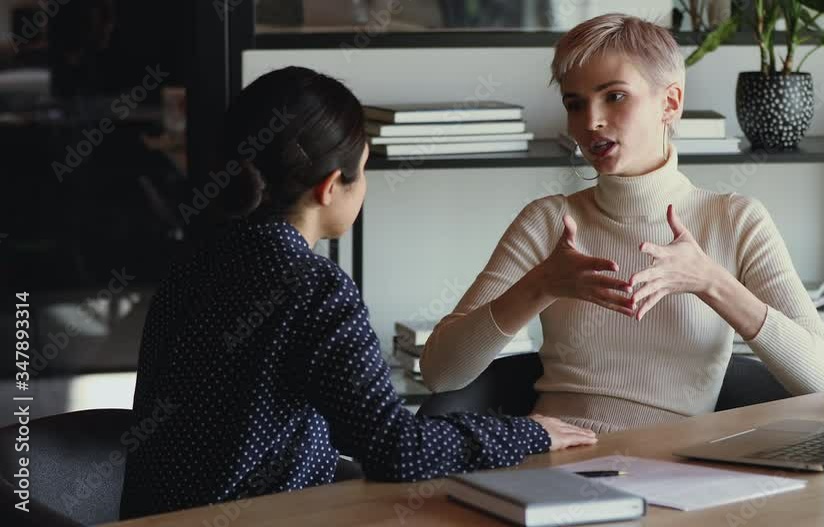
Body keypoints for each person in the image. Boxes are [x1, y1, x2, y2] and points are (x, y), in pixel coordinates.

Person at [119, 66, 596, 519]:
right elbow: (397, 450)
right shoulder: (312, 286)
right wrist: (528, 433)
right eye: (363, 170)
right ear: (330, 187)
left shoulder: (193, 264)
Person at [420, 14, 824, 433]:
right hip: (555, 463)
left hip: (683, 474)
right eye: (575, 103)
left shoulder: (734, 220)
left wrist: (712, 283)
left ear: (670, 102)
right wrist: (540, 286)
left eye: (615, 96)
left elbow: (823, 379)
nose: (590, 122)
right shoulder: (548, 220)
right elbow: (441, 373)